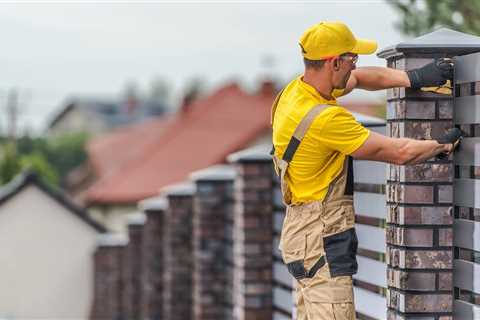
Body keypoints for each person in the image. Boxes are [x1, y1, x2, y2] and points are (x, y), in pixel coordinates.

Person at [271, 21, 461, 320]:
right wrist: (442, 145)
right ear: (334, 62)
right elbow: (397, 153)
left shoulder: (296, 93)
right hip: (322, 238)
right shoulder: (325, 119)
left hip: (300, 234)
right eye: (352, 58)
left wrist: (413, 77)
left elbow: (359, 80)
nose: (354, 65)